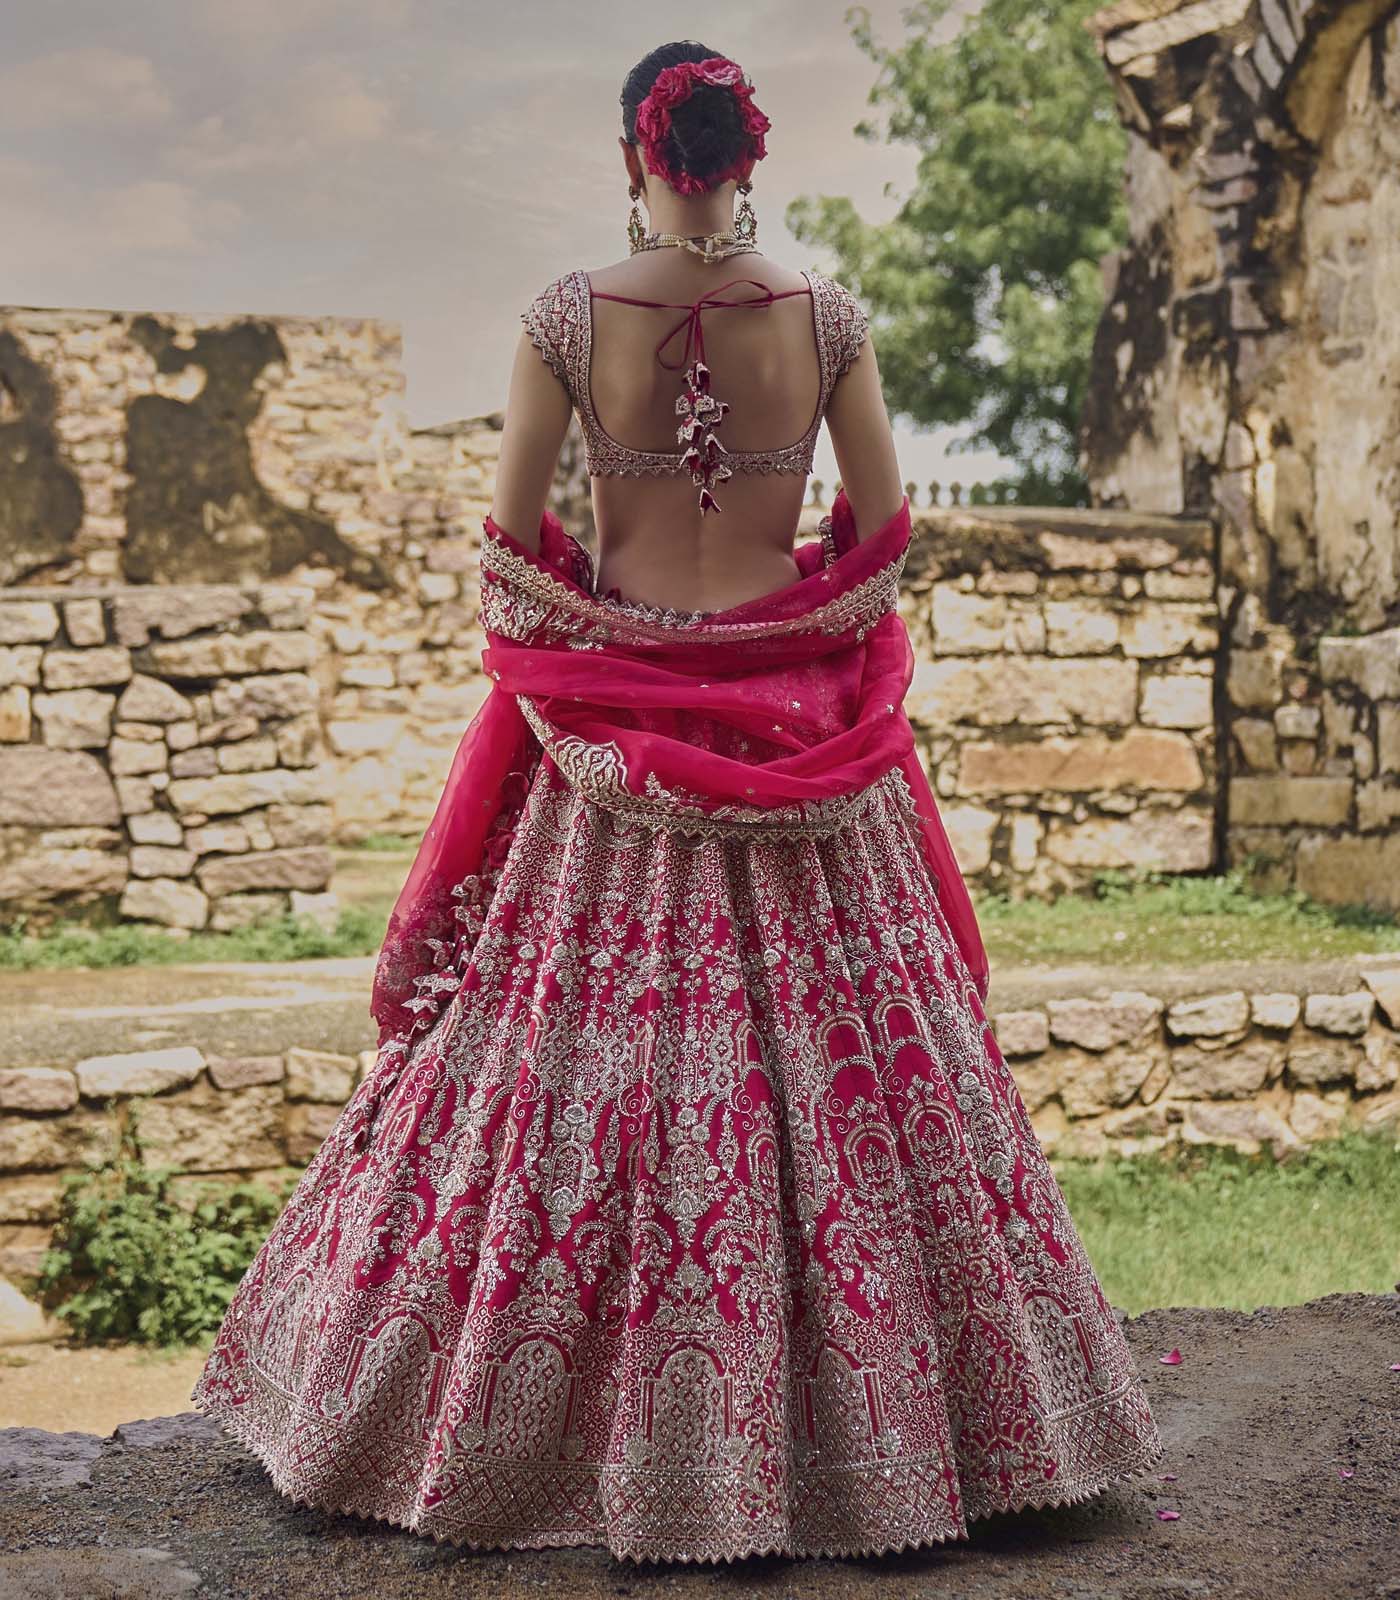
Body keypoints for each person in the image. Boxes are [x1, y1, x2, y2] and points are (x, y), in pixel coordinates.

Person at [191, 40, 1164, 1564]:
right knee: (874, 1097)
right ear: (745, 155)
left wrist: (607, 639)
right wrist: (797, 629)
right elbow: (889, 537)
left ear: (632, 158)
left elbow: (510, 552)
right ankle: (906, 1454)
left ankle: (507, 1440)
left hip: (614, 752)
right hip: (810, 752)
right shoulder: (828, 318)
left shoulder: (567, 317)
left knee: (554, 1087)